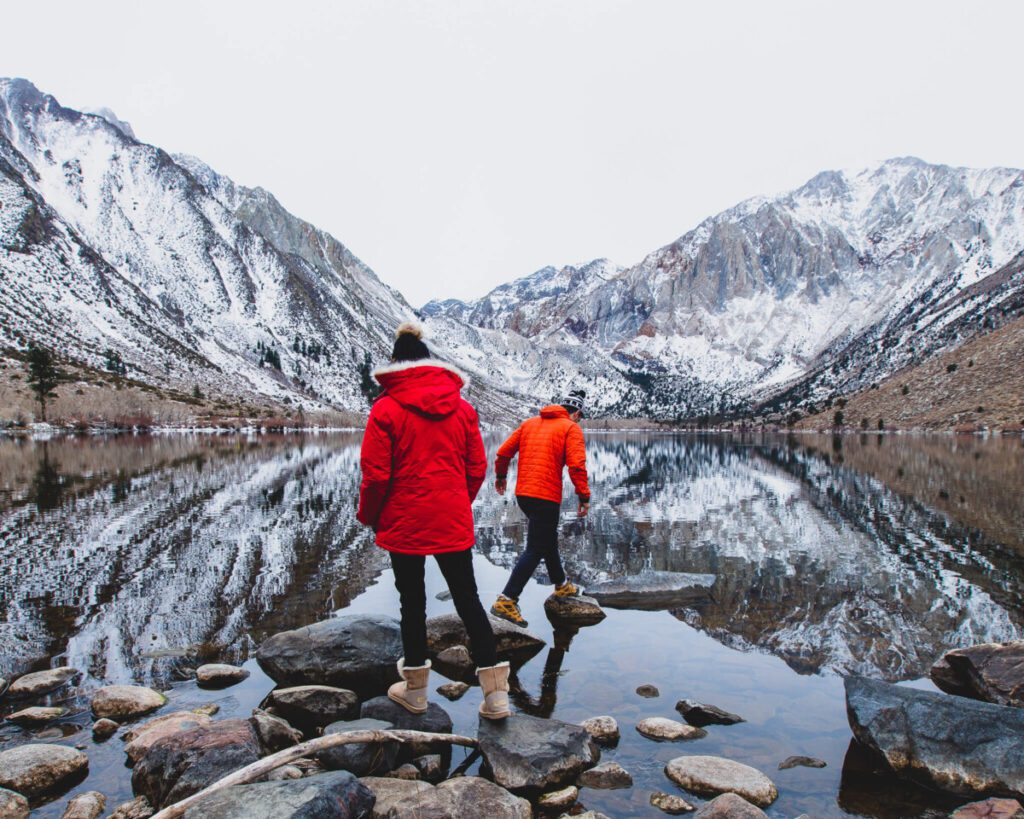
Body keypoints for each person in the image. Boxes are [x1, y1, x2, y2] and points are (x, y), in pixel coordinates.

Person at [357, 322, 510, 719]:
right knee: (469, 602)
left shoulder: (385, 408)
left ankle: (416, 692)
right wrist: (457, 501)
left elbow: (375, 477)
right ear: (429, 363)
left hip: (405, 523)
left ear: (395, 364)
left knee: (413, 603)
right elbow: (476, 468)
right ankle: (496, 697)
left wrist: (371, 517)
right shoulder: (462, 409)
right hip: (451, 520)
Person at [490, 389, 590, 627]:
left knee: (546, 539)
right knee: (536, 547)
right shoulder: (570, 428)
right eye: (580, 416)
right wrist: (584, 496)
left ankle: (562, 585)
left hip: (524, 494)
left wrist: (501, 476)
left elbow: (503, 452)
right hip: (546, 496)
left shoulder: (529, 424)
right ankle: (507, 599)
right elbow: (577, 466)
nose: (579, 420)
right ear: (576, 413)